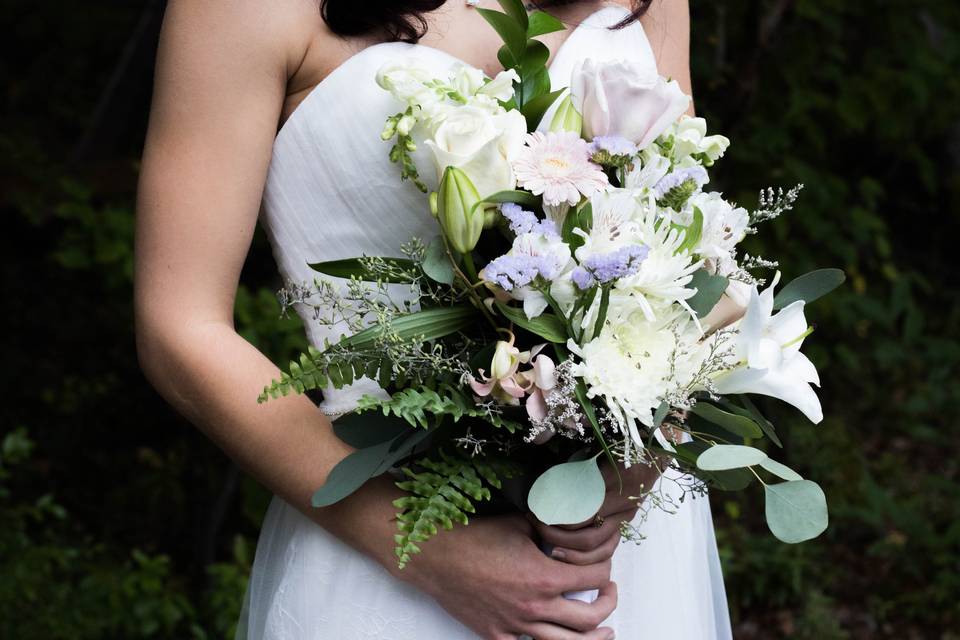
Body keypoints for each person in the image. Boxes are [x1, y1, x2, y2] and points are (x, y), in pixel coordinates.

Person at [135, 1, 732, 637]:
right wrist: (423, 548)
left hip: (619, 551)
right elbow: (180, 328)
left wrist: (638, 462)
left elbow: (692, 251)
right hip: (390, 542)